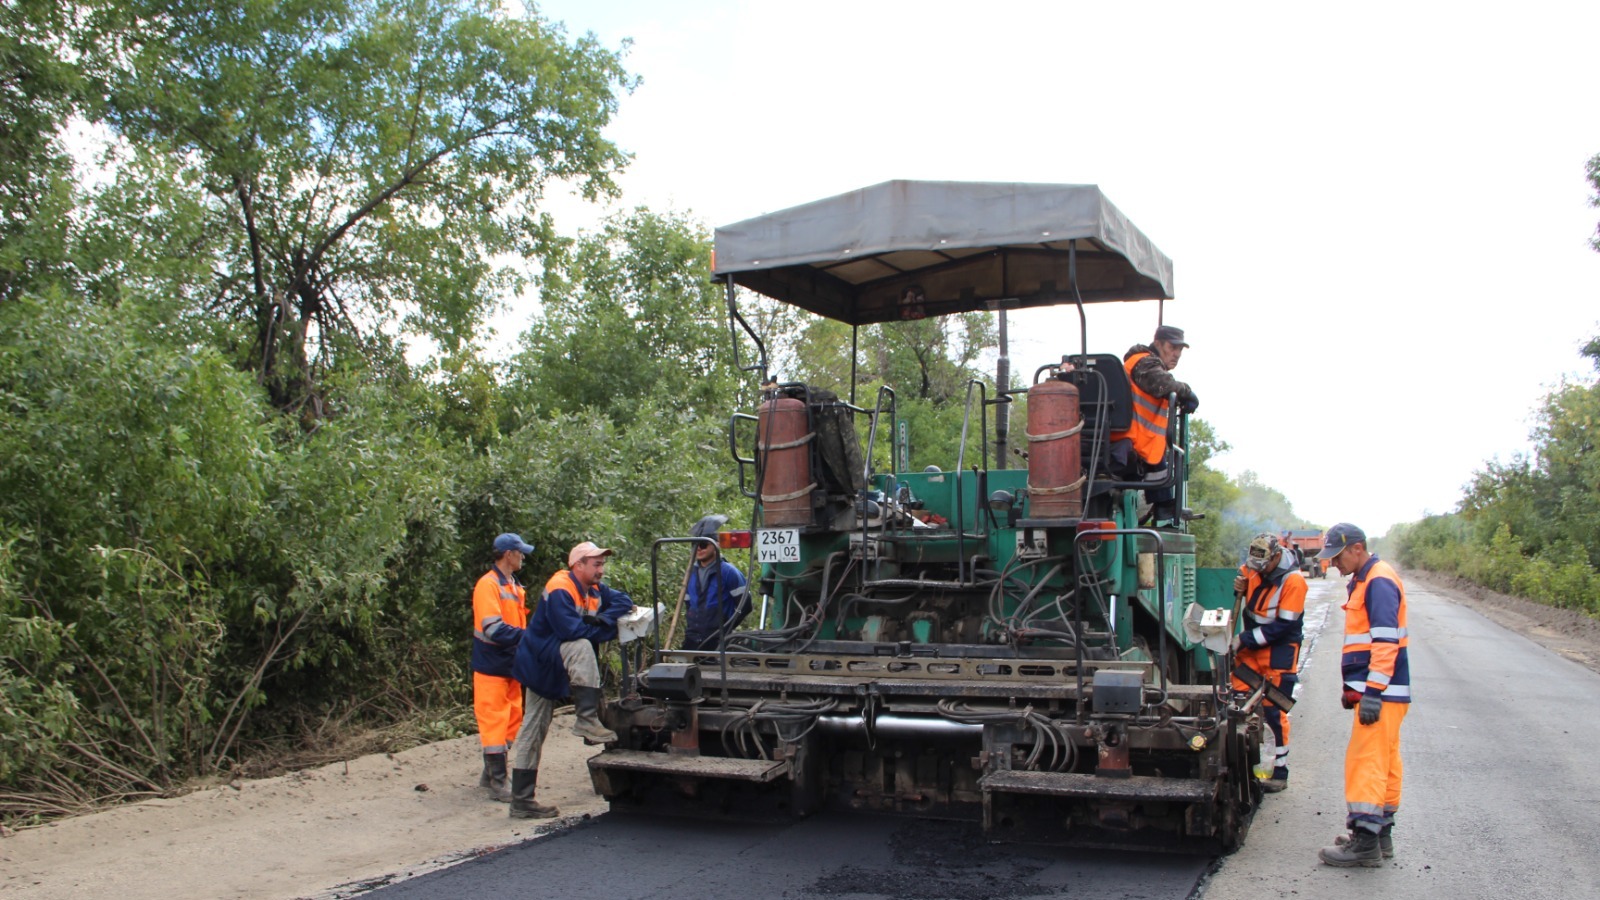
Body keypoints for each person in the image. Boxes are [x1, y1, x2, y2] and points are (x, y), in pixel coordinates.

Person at [506, 541, 634, 819]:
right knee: (534, 728)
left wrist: (601, 620)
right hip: (541, 664)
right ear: (578, 565)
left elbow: (624, 601)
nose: (601, 569)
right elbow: (572, 632)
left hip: (559, 661)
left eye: (602, 564)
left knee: (534, 728)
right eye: (596, 564)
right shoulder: (561, 588)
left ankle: (521, 800)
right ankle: (522, 799)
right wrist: (603, 628)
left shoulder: (594, 589)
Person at [1316, 522, 1410, 867]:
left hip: (1381, 693)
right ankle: (1380, 836)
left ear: (1357, 549)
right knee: (1385, 762)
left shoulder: (1378, 580)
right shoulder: (1367, 579)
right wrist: (1354, 690)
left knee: (1366, 762)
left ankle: (1365, 843)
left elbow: (1385, 642)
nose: (1332, 564)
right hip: (1383, 692)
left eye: (1337, 556)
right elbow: (1364, 644)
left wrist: (1371, 691)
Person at [1229, 532, 1306, 793]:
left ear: (1275, 557)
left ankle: (1280, 772)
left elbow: (1284, 627)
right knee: (1236, 702)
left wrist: (1243, 638)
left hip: (1279, 650)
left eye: (1263, 566)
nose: (1257, 570)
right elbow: (1244, 588)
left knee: (1274, 710)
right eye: (1253, 565)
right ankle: (1238, 762)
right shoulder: (1252, 566)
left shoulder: (1293, 582)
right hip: (1251, 649)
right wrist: (1237, 587)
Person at [1108, 324, 1199, 525]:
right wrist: (1186, 392)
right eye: (1172, 347)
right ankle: (1164, 506)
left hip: (1141, 440)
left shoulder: (1147, 363)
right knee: (1159, 458)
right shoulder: (1144, 363)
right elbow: (1164, 385)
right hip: (1130, 439)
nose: (1176, 354)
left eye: (1180, 350)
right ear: (1158, 343)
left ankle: (1164, 506)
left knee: (1160, 459)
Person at [469, 533, 534, 802]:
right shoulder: (488, 585)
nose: (523, 557)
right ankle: (498, 781)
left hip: (511, 663)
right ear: (508, 554)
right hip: (491, 664)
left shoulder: (514, 585)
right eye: (520, 552)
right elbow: (492, 628)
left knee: (512, 719)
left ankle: (490, 775)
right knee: (495, 722)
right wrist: (529, 638)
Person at [683, 514, 751, 651]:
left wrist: (726, 628)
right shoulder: (690, 574)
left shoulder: (729, 572)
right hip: (693, 638)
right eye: (694, 545)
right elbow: (688, 605)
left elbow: (745, 606)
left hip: (718, 639)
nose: (698, 549)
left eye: (702, 544)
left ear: (716, 545)